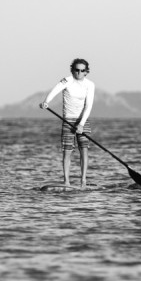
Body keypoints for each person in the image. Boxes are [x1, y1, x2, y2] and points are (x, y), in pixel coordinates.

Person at [39, 58, 96, 188]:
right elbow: (55, 90)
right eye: (76, 70)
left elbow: (88, 106)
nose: (79, 73)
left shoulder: (90, 85)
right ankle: (66, 182)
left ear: (86, 72)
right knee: (67, 151)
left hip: (83, 120)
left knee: (84, 149)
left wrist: (81, 124)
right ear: (72, 70)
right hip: (67, 120)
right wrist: (46, 102)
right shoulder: (67, 80)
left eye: (82, 71)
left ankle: (83, 181)